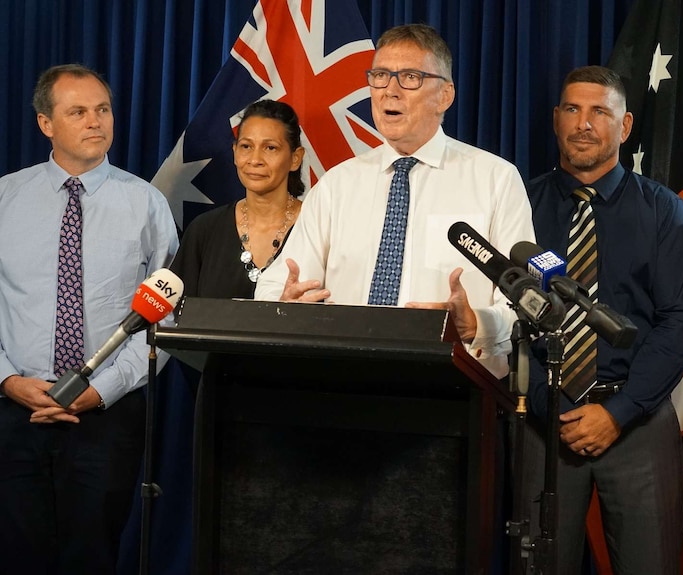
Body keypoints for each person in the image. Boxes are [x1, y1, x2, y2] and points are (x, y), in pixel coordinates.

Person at [253, 23, 534, 377]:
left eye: (410, 77)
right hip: (340, 382)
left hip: (450, 389)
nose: (390, 91)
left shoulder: (495, 179)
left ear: (445, 96)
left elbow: (524, 303)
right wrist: (283, 303)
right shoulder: (338, 184)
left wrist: (475, 323)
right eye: (381, 75)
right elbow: (276, 283)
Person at [0, 64, 178, 574]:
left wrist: (103, 390)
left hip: (106, 415)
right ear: (45, 124)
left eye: (103, 109)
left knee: (92, 557)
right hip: (14, 413)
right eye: (78, 111)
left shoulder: (145, 203)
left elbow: (165, 316)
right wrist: (9, 380)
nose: (95, 121)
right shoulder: (6, 199)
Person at [523, 66, 683, 574]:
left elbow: (678, 322)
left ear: (624, 127)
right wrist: (544, 402)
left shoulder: (664, 210)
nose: (584, 123)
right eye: (572, 110)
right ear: (556, 120)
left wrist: (618, 412)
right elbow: (505, 318)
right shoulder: (519, 204)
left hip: (637, 417)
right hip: (543, 422)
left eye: (600, 111)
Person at [171, 99, 305, 298]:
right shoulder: (204, 230)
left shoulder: (315, 226)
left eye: (270, 148)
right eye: (246, 146)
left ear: (295, 158)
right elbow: (176, 318)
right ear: (234, 153)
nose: (255, 160)